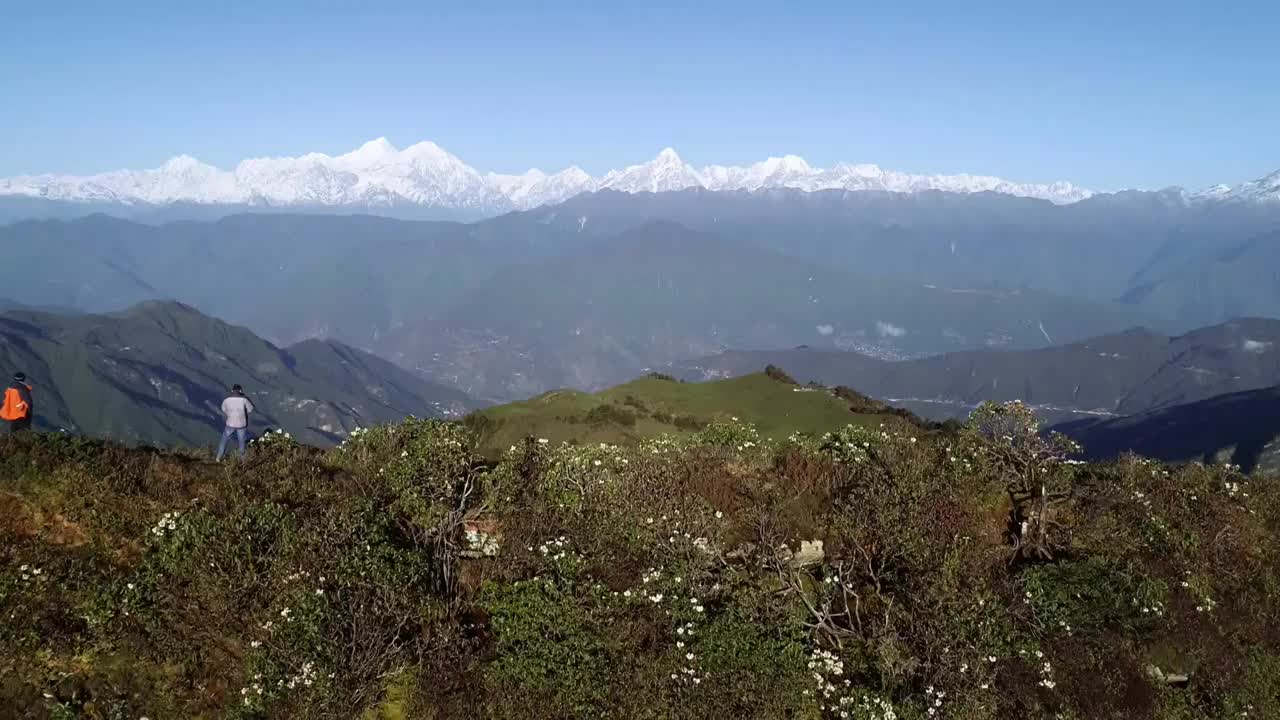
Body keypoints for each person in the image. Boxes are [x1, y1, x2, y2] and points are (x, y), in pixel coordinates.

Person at [216, 384, 255, 461]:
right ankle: (242, 460)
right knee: (241, 442)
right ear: (240, 391)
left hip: (230, 424)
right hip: (241, 424)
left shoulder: (227, 400)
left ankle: (219, 457)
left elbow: (223, 409)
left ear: (232, 390)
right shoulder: (244, 399)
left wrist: (229, 413)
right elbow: (251, 409)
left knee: (224, 440)